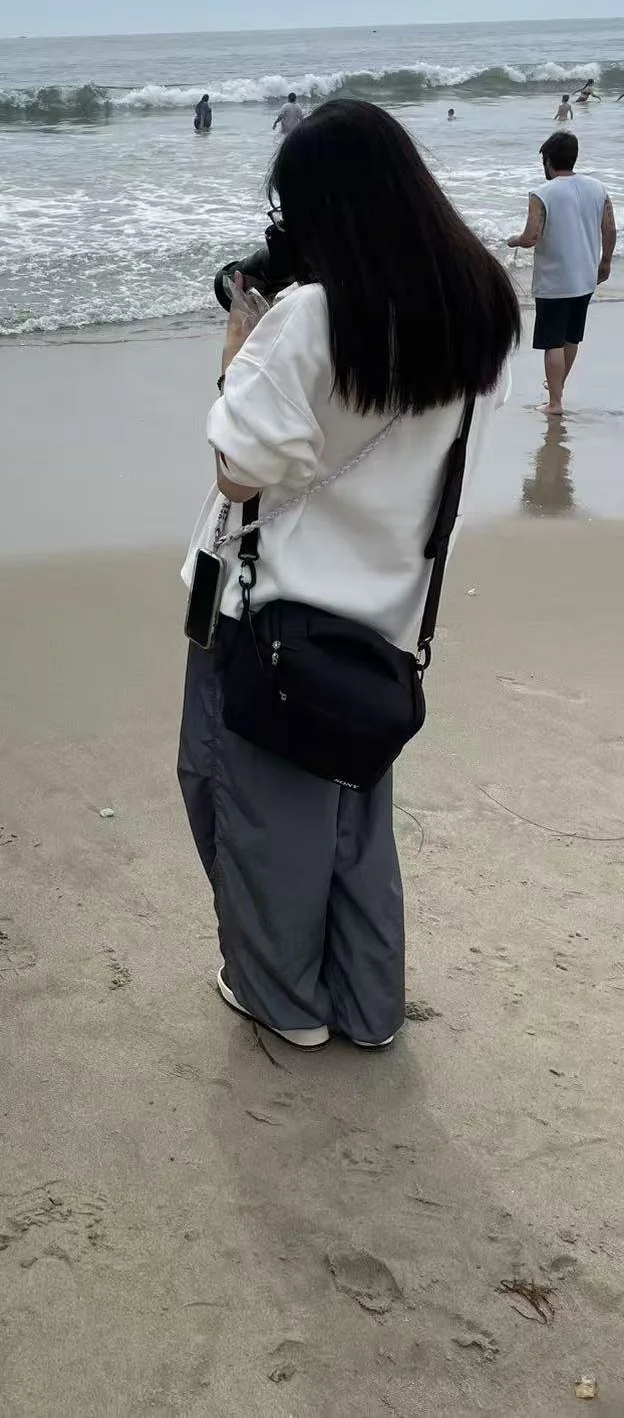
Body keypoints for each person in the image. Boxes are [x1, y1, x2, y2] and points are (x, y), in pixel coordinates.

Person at [177, 100, 518, 1050]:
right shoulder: (482, 303)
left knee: (250, 808)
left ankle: (283, 1002)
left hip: (270, 613)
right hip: (389, 613)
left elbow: (239, 470)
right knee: (353, 818)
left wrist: (239, 350)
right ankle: (369, 1006)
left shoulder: (311, 316)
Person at [506, 130, 614, 415]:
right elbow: (609, 229)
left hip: (554, 280)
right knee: (571, 337)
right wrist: (605, 262)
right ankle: (559, 386)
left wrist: (513, 240)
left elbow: (531, 237)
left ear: (548, 160)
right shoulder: (597, 188)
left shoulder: (542, 193)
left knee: (552, 341)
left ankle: (554, 403)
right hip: (585, 277)